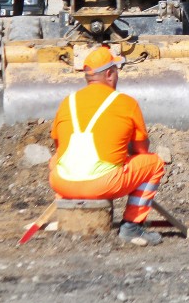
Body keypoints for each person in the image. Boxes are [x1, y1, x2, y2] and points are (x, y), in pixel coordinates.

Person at [49, 45, 168, 245]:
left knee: (56, 160)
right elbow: (141, 150)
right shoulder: (126, 103)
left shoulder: (68, 102)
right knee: (154, 163)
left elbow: (59, 146)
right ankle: (132, 227)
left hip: (62, 184)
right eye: (116, 71)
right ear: (110, 74)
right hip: (103, 184)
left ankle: (66, 211)